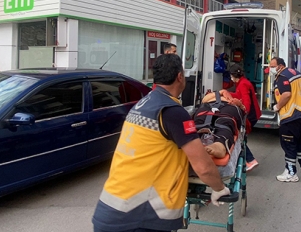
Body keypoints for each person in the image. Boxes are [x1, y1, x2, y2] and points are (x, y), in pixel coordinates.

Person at [92, 54, 230, 232]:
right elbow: (203, 166)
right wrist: (218, 188)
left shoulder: (144, 104)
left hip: (110, 210)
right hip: (140, 216)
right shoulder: (172, 111)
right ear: (180, 76)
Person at [269, 57, 301, 182]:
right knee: (300, 141)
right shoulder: (296, 73)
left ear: (281, 65)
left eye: (273, 66)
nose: (271, 69)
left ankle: (291, 173)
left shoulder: (282, 76)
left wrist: (277, 106)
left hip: (291, 117)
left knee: (289, 145)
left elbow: (287, 94)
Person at [228, 63, 262, 171]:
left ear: (233, 75)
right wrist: (228, 94)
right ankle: (245, 161)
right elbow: (239, 95)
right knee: (241, 138)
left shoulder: (243, 84)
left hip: (251, 115)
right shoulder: (242, 82)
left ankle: (250, 160)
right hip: (252, 114)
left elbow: (246, 100)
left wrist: (244, 111)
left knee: (239, 138)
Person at [194, 91, 245, 158]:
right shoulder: (213, 95)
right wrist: (222, 92)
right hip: (208, 106)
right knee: (199, 122)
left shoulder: (236, 96)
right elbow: (204, 100)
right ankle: (192, 142)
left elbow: (244, 109)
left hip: (229, 106)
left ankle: (220, 144)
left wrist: (239, 105)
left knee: (225, 122)